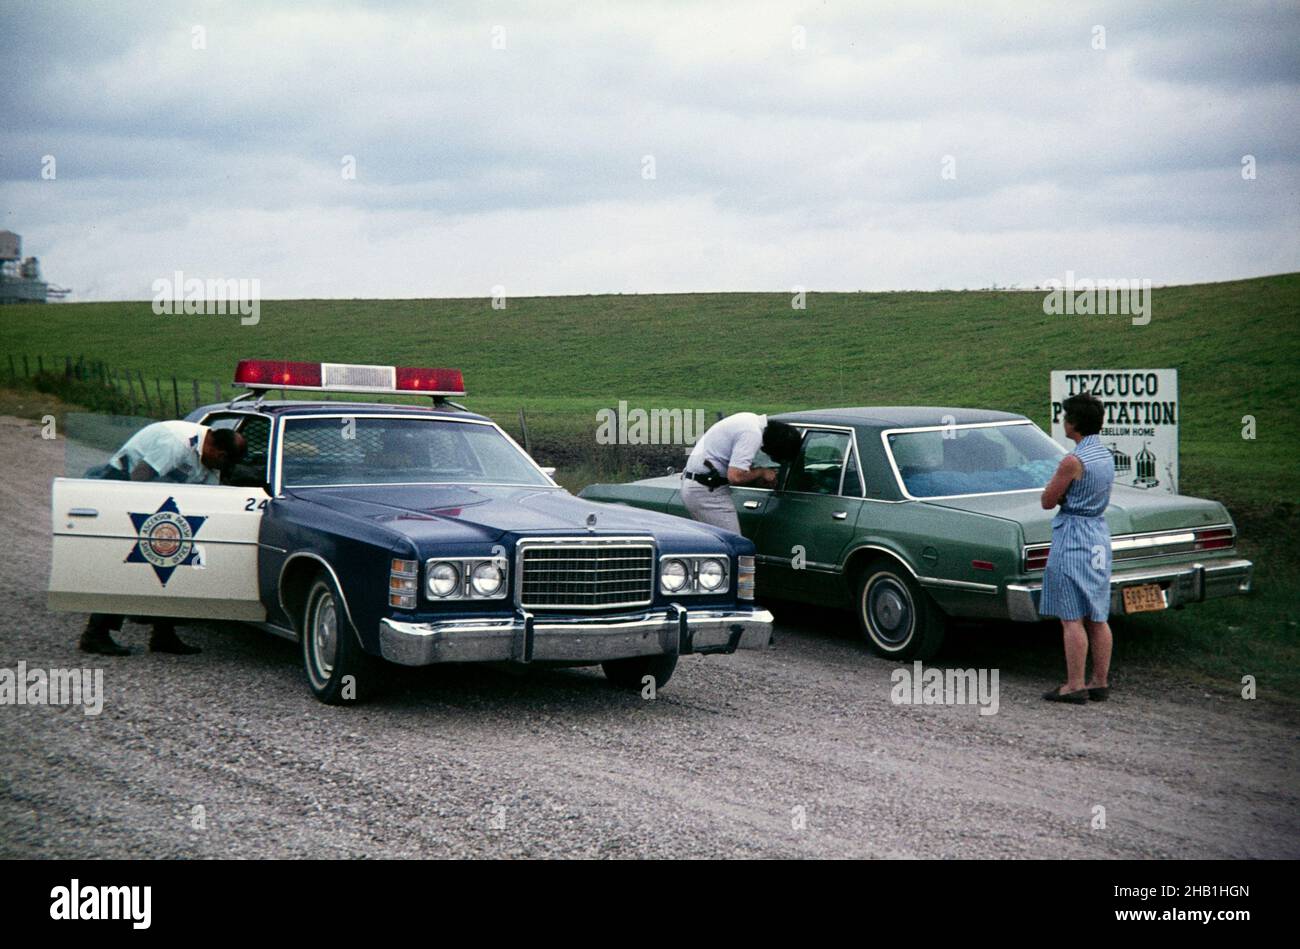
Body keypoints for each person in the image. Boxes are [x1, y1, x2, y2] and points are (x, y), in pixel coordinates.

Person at [79, 421, 247, 656]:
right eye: (224, 462)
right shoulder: (176, 444)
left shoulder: (210, 461)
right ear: (218, 453)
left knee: (172, 563)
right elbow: (139, 478)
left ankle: (163, 636)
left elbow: (209, 499)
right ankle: (94, 634)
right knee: (129, 564)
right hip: (124, 484)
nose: (222, 469)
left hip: (159, 499)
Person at [1039, 392, 1114, 704]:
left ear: (1074, 423)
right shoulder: (1105, 455)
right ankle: (1100, 680)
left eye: (1065, 416)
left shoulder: (1073, 461)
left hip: (1073, 535)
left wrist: (1062, 496)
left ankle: (1074, 684)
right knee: (1098, 615)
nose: (1062, 421)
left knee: (1071, 617)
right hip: (1098, 532)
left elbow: (1047, 500)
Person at [679, 413, 802, 533]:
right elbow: (735, 476)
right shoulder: (752, 434)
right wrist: (762, 472)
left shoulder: (749, 420)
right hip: (707, 490)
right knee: (733, 546)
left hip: (701, 483)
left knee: (715, 547)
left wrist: (756, 478)